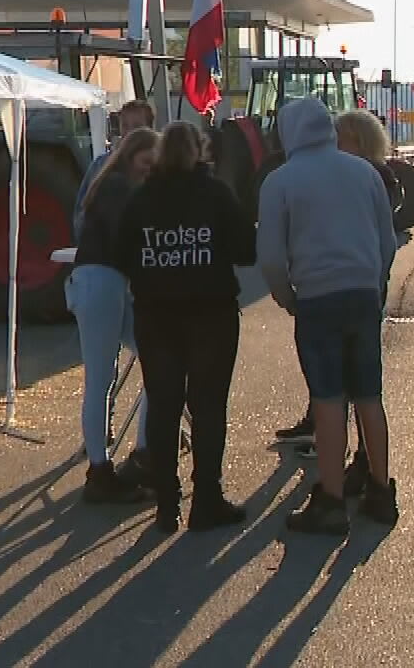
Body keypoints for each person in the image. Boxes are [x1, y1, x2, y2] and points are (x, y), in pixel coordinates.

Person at [257, 97, 399, 535]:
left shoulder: (280, 182)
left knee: (329, 399)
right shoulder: (365, 173)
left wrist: (287, 298)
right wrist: (374, 283)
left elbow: (272, 258)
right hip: (362, 294)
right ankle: (380, 490)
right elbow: (387, 241)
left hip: (317, 299)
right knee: (368, 396)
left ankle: (332, 499)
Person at [113, 121, 255, 534]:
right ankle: (206, 500)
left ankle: (166, 505)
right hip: (211, 313)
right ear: (200, 150)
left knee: (163, 406)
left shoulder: (141, 200)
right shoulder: (215, 195)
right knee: (208, 406)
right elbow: (245, 249)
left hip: (156, 315)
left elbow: (121, 256)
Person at [70, 126, 159, 504]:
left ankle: (136, 455)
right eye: (147, 160)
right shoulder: (120, 188)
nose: (151, 168)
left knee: (153, 361)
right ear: (132, 155)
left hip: (100, 281)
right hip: (102, 281)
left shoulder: (113, 185)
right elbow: (132, 240)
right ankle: (102, 469)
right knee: (102, 378)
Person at [75, 99, 154, 235]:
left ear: (149, 128)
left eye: (136, 126)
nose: (129, 132)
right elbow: (82, 211)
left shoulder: (158, 165)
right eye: (125, 125)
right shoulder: (100, 164)